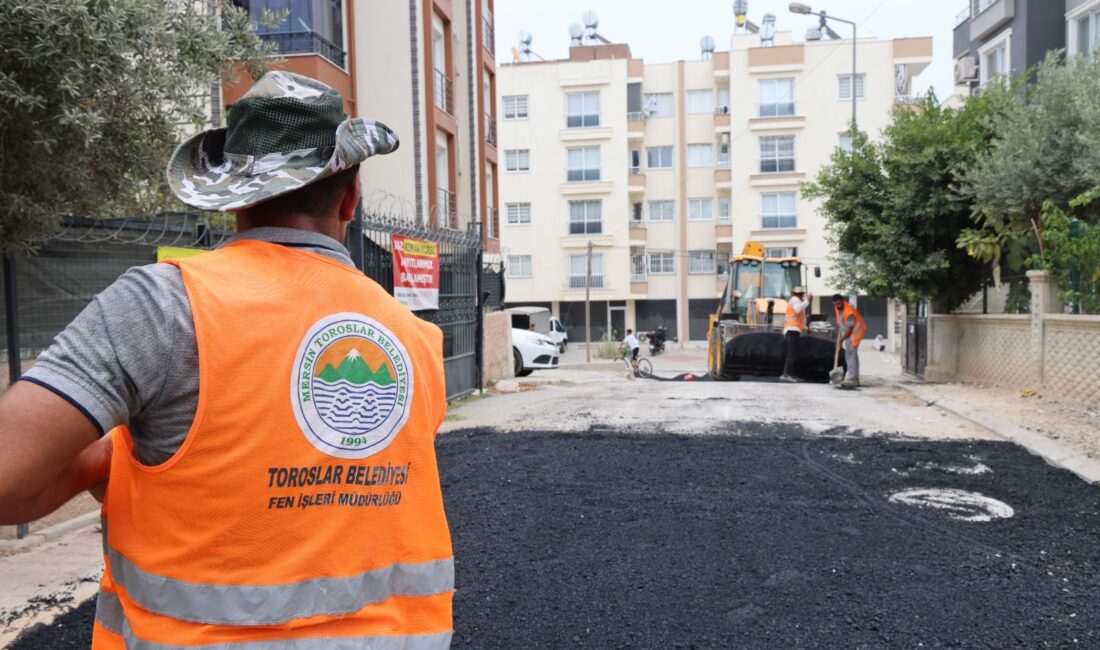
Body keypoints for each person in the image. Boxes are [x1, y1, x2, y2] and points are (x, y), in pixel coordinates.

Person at [0, 72, 455, 648]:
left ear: (229, 193)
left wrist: (108, 459)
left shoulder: (164, 305)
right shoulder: (415, 340)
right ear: (351, 195)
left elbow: (7, 481)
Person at [833, 294, 868, 388]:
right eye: (836, 304)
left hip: (855, 332)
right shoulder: (837, 308)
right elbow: (841, 323)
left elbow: (849, 329)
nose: (838, 305)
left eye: (839, 303)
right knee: (852, 355)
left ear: (842, 301)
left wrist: (840, 341)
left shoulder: (849, 311)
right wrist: (840, 337)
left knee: (850, 355)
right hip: (848, 333)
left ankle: (852, 379)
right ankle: (855, 379)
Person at [779, 286, 811, 383]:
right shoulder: (794, 300)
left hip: (795, 330)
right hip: (791, 329)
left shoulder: (797, 301)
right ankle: (786, 374)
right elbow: (797, 310)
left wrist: (806, 328)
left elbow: (800, 317)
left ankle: (791, 374)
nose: (802, 296)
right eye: (802, 294)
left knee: (793, 353)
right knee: (791, 353)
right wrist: (807, 301)